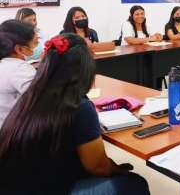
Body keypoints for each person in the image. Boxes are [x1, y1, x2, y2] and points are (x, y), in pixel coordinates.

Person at [0, 33, 150, 194]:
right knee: (135, 184)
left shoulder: (31, 96)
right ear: (84, 68)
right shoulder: (78, 106)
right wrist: (118, 170)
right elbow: (97, 166)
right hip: (45, 188)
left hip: (12, 184)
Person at [0, 20, 37, 127]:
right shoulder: (20, 68)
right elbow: (41, 100)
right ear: (19, 48)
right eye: (35, 43)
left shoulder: (5, 64)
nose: (37, 46)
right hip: (13, 133)